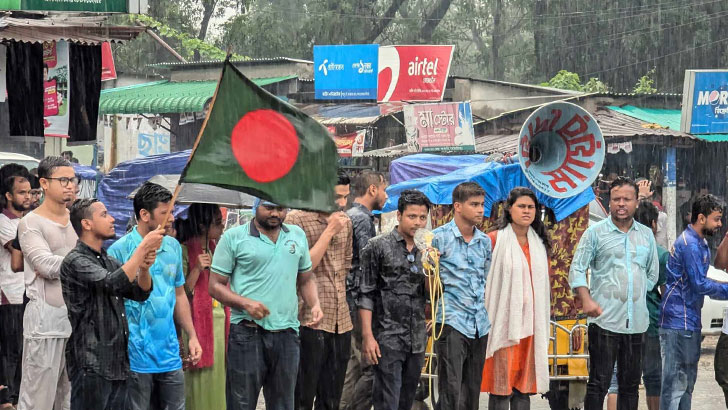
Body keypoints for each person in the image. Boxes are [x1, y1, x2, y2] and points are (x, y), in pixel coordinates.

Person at [209, 198, 322, 410]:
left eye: (281, 208)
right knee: (241, 404)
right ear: (255, 206)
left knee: (283, 404)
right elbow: (214, 286)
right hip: (246, 334)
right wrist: (245, 304)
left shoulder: (296, 236)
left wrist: (314, 304)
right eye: (269, 208)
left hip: (287, 334)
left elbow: (306, 278)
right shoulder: (234, 238)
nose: (275, 214)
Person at [61, 199, 163, 410]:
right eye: (104, 214)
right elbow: (112, 283)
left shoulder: (108, 260)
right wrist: (142, 247)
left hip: (117, 363)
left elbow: (140, 293)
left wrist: (144, 269)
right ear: (86, 224)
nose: (112, 218)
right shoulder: (75, 260)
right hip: (91, 364)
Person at [108, 182, 202, 410]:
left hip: (169, 352)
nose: (171, 218)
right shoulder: (119, 250)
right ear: (144, 214)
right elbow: (113, 300)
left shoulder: (173, 247)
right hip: (135, 354)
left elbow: (179, 294)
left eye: (172, 211)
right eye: (165, 213)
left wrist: (192, 335)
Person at [569, 176, 659, 410]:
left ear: (636, 202)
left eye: (627, 199)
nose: (621, 203)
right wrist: (587, 298)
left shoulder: (646, 235)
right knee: (598, 383)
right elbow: (577, 268)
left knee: (630, 386)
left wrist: (633, 292)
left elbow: (651, 275)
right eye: (616, 199)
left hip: (637, 324)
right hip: (604, 321)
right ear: (609, 202)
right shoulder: (595, 233)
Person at [286, 170, 353, 410]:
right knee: (302, 395)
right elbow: (300, 268)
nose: (342, 204)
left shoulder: (346, 223)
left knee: (332, 397)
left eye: (346, 197)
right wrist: (329, 231)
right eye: (337, 197)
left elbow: (345, 267)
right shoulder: (296, 221)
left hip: (340, 320)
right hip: (308, 319)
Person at [16, 156, 79, 410]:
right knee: (37, 399)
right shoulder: (31, 223)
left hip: (77, 320)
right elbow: (45, 265)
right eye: (63, 180)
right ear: (43, 183)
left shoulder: (78, 219)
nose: (70, 186)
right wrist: (82, 265)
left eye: (73, 180)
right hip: (44, 323)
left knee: (69, 399)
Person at [358, 189, 430, 410]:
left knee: (406, 400)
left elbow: (432, 295)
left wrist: (430, 264)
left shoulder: (427, 249)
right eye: (412, 216)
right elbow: (366, 293)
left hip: (416, 339)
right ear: (399, 216)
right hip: (386, 337)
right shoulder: (377, 246)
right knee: (386, 400)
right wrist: (368, 336)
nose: (417, 223)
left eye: (422, 217)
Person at [482, 187, 551, 410]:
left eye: (531, 207)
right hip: (504, 325)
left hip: (531, 328)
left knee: (524, 390)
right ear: (509, 209)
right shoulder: (494, 240)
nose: (527, 211)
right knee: (501, 388)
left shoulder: (539, 244)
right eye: (521, 206)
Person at [661, 194, 728, 410]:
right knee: (675, 386)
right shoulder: (689, 244)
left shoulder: (700, 242)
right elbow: (699, 284)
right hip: (678, 322)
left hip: (688, 320)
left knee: (686, 385)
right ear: (701, 218)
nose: (719, 224)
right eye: (716, 219)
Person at [430, 182, 491, 410]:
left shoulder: (484, 242)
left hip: (479, 324)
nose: (480, 210)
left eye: (482, 204)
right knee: (450, 390)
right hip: (451, 321)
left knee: (472, 390)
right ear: (457, 206)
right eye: (474, 204)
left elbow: (484, 277)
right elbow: (429, 280)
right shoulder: (438, 238)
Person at [606, 200, 668, 410]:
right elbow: (665, 294)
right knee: (652, 378)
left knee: (616, 379)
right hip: (649, 321)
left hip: (618, 319)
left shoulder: (619, 246)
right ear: (652, 223)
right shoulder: (659, 253)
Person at [341, 171, 388, 410]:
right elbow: (366, 265)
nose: (386, 195)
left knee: (356, 361)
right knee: (362, 362)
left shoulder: (350, 215)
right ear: (372, 189)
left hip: (350, 298)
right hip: (357, 301)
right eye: (384, 189)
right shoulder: (362, 219)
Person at [173, 203, 227, 410]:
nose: (222, 228)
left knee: (218, 380)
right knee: (197, 380)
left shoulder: (217, 249)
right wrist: (196, 268)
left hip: (219, 321)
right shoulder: (183, 249)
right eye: (218, 223)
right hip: (195, 323)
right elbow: (181, 293)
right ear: (203, 226)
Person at [0, 165, 31, 409]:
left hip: (27, 293)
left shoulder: (28, 222)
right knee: (11, 349)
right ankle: (8, 397)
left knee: (24, 349)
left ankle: (19, 395)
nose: (27, 197)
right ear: (9, 196)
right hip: (8, 294)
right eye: (21, 193)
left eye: (29, 192)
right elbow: (19, 252)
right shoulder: (3, 222)